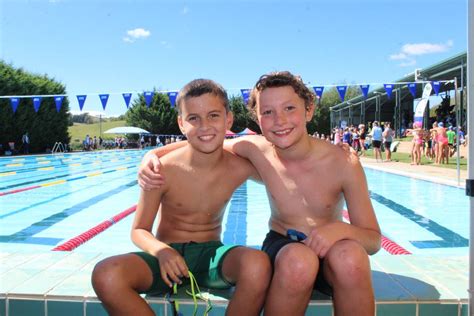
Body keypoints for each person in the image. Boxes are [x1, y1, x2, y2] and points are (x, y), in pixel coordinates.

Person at [139, 71, 381, 315]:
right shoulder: (256, 150)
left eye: (289, 108)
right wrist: (151, 155)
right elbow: (203, 138)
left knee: (351, 259)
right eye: (268, 112)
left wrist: (338, 230)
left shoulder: (342, 161)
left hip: (333, 251)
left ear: (308, 110)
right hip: (285, 249)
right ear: (257, 118)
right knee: (299, 261)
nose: (279, 120)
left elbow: (372, 239)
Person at [91, 79, 271, 316]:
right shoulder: (162, 169)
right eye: (193, 118)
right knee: (106, 274)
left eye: (213, 116)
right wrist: (161, 252)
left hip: (211, 258)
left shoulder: (239, 167)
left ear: (229, 119)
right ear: (181, 124)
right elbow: (139, 230)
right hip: (165, 258)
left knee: (258, 264)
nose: (204, 126)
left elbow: (283, 171)